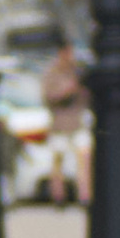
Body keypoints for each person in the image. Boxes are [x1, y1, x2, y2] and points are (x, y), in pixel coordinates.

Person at [37, 35, 89, 208]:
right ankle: (58, 197)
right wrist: (67, 91)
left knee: (85, 159)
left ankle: (85, 196)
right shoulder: (52, 73)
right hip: (59, 125)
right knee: (58, 162)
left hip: (77, 122)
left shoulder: (77, 72)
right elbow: (48, 96)